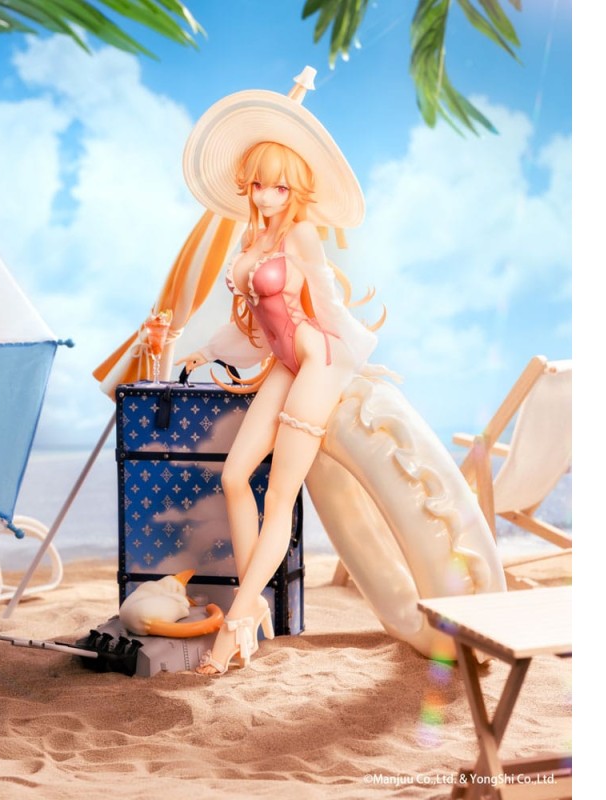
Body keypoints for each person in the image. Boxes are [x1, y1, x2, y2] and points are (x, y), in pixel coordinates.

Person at [177, 68, 379, 675]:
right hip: (285, 363)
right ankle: (253, 604)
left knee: (279, 498)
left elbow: (328, 307)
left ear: (297, 192)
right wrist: (206, 352)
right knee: (235, 476)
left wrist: (354, 358)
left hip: (317, 360)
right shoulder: (253, 237)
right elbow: (254, 325)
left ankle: (234, 628)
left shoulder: (303, 237)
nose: (267, 197)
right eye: (260, 186)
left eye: (280, 188)